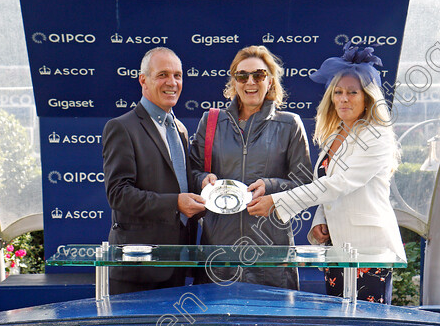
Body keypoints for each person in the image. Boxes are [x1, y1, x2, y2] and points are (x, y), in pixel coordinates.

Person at [247, 44, 405, 303]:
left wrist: (277, 201)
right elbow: (325, 185)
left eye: (352, 92)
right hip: (336, 250)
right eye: (338, 92)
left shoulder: (376, 136)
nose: (343, 98)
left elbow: (339, 184)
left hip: (368, 252)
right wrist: (321, 219)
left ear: (367, 97)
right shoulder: (336, 134)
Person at [189, 45, 311, 289]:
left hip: (270, 252)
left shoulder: (290, 124)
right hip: (219, 251)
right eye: (242, 76)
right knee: (216, 325)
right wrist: (203, 180)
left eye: (259, 75)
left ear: (271, 81)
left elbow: (305, 184)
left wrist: (271, 188)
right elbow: (190, 173)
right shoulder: (211, 121)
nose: (250, 82)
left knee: (272, 325)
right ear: (234, 82)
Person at [101, 47, 206, 295]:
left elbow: (178, 183)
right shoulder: (121, 127)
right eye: (163, 75)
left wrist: (205, 186)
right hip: (138, 267)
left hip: (176, 262)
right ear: (143, 80)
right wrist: (176, 204)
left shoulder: (179, 129)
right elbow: (119, 194)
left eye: (178, 76)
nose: (172, 83)